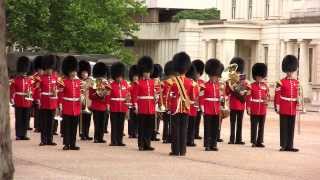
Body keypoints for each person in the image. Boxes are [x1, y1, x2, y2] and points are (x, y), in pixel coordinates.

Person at [168, 52, 193, 156]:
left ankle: (175, 150)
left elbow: (168, 94)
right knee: (183, 129)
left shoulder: (172, 81)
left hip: (175, 108)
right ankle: (182, 150)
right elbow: (193, 96)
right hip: (186, 108)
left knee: (175, 129)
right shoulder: (191, 82)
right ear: (186, 69)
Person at [274, 55, 300, 152]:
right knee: (284, 126)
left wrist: (298, 102)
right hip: (284, 106)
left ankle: (290, 145)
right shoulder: (281, 82)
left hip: (292, 107)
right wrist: (277, 107)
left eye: (291, 71)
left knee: (291, 127)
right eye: (288, 71)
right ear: (286, 70)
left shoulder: (296, 82)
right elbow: (277, 95)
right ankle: (283, 145)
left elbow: (298, 95)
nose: (290, 73)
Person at [200, 59, 224, 151]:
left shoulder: (220, 86)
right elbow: (201, 98)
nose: (215, 78)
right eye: (213, 76)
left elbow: (222, 97)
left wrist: (222, 105)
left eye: (216, 76)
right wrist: (202, 109)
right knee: (207, 128)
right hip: (208, 108)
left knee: (215, 128)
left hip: (216, 109)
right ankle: (207, 144)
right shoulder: (204, 85)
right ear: (210, 75)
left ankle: (214, 144)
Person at [133, 56, 156, 151]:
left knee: (149, 128)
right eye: (145, 72)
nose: (147, 74)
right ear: (142, 73)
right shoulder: (138, 83)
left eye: (148, 72)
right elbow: (135, 96)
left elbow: (154, 95)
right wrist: (136, 107)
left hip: (150, 107)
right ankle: (141, 145)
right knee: (141, 127)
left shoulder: (152, 82)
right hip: (142, 107)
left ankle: (147, 144)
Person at [226, 57, 250, 145]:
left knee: (240, 122)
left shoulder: (243, 79)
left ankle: (238, 139)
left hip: (241, 103)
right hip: (234, 103)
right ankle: (232, 139)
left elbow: (246, 92)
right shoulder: (231, 79)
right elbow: (227, 92)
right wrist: (229, 87)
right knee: (233, 123)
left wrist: (245, 88)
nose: (238, 72)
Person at [59, 56, 81, 150]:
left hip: (76, 107)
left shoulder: (78, 82)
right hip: (67, 106)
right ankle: (66, 144)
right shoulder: (63, 82)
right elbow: (60, 94)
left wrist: (81, 98)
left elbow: (81, 93)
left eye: (75, 71)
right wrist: (60, 106)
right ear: (68, 71)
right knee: (67, 126)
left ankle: (73, 144)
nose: (74, 73)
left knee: (74, 127)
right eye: (72, 71)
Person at [246, 63, 269, 148]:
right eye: (257, 76)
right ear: (255, 76)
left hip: (262, 108)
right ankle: (253, 141)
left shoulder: (265, 86)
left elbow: (268, 95)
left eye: (260, 76)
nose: (259, 78)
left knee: (261, 126)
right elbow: (248, 97)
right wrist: (248, 107)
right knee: (254, 125)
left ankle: (260, 141)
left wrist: (266, 99)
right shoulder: (251, 86)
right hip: (254, 107)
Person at [10, 56, 33, 140]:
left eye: (25, 71)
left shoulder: (29, 80)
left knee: (26, 118)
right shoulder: (15, 80)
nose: (24, 73)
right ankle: (18, 134)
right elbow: (12, 90)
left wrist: (30, 93)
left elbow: (32, 90)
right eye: (23, 71)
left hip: (27, 101)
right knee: (19, 118)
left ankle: (24, 134)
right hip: (19, 101)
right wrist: (12, 99)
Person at [38, 55, 59, 146]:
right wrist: (38, 100)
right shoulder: (40, 78)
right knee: (44, 122)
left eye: (51, 69)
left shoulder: (55, 78)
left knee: (51, 122)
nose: (50, 71)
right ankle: (43, 140)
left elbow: (59, 89)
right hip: (44, 102)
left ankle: (50, 140)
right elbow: (37, 90)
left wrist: (56, 91)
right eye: (48, 69)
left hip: (53, 102)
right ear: (45, 69)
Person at [108, 62, 129, 146]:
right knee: (114, 125)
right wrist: (108, 106)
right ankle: (114, 141)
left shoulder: (125, 83)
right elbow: (108, 97)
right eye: (118, 77)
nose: (119, 78)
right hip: (114, 107)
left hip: (122, 107)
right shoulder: (111, 85)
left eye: (120, 76)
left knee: (121, 125)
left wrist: (127, 105)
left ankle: (120, 141)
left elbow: (127, 94)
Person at [89, 62, 109, 143]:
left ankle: (101, 137)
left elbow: (108, 95)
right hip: (96, 105)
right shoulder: (94, 82)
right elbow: (91, 96)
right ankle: (96, 137)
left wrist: (107, 102)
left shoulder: (105, 82)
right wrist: (98, 94)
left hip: (103, 105)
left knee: (103, 122)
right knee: (97, 123)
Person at [78, 60, 93, 140]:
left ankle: (86, 134)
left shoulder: (91, 80)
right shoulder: (78, 81)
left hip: (89, 103)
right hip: (82, 102)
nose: (84, 74)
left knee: (88, 119)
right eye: (83, 72)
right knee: (82, 120)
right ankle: (82, 134)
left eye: (86, 72)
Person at [162, 61, 175, 144]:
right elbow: (163, 95)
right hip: (166, 105)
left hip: (173, 105)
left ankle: (171, 136)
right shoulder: (164, 83)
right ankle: (165, 136)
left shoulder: (176, 83)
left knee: (172, 122)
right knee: (166, 122)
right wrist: (163, 105)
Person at [186, 65, 198, 147]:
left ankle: (187, 140)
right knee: (192, 125)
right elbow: (195, 96)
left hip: (186, 106)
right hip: (193, 106)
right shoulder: (195, 84)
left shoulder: (185, 82)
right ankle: (190, 140)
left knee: (186, 125)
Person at [192, 59, 205, 140]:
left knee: (198, 120)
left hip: (199, 104)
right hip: (193, 104)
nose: (198, 75)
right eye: (196, 73)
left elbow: (203, 95)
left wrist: (202, 106)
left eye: (199, 74)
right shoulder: (191, 81)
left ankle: (196, 133)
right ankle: (191, 134)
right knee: (192, 120)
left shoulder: (201, 82)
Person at [31, 56, 44, 133]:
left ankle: (42, 126)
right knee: (37, 113)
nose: (41, 71)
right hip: (36, 96)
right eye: (39, 70)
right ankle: (36, 127)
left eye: (42, 70)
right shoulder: (34, 77)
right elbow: (31, 87)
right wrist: (36, 85)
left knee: (42, 113)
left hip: (43, 97)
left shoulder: (44, 77)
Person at [151, 64, 163, 141]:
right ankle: (152, 134)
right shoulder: (152, 81)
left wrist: (160, 104)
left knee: (157, 118)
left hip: (157, 101)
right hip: (152, 102)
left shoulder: (158, 82)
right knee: (153, 119)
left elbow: (160, 93)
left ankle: (155, 133)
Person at [128, 64, 139, 138]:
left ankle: (136, 132)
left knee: (137, 119)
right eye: (134, 76)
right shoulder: (130, 85)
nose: (135, 78)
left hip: (138, 104)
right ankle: (131, 132)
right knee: (131, 119)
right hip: (131, 104)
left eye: (136, 76)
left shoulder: (139, 84)